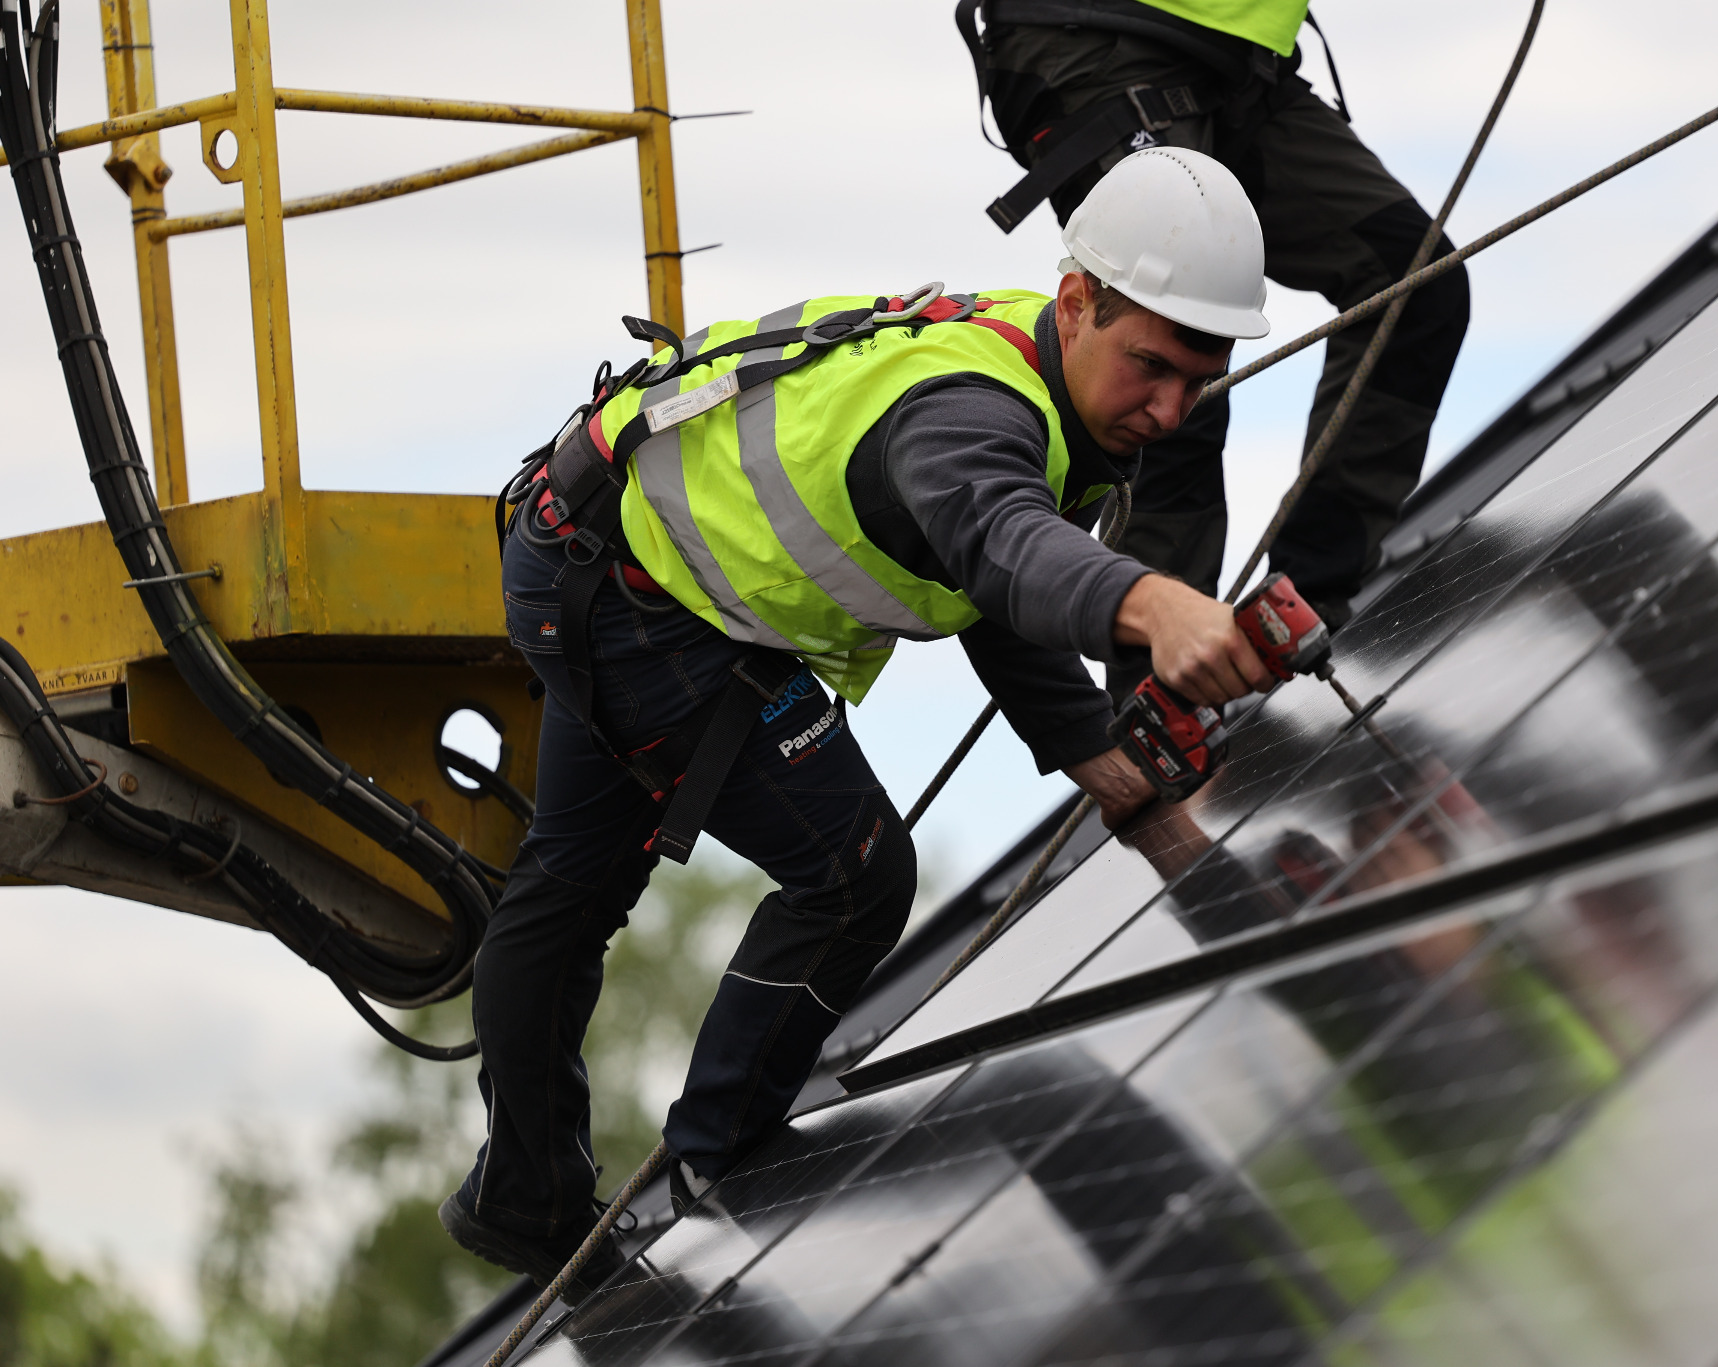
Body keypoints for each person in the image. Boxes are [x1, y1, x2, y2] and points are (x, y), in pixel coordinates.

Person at [438, 146, 1280, 1299]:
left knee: (570, 884)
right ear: (1077, 301)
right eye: (1151, 366)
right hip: (633, 592)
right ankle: (711, 1180)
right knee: (853, 872)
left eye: (1199, 378)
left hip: (603, 539)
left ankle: (522, 1197)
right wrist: (1152, 602)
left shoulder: (1050, 383)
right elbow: (999, 542)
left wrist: (1133, 796)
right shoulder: (967, 414)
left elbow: (988, 592)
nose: (1171, 409)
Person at [960, 0, 1471, 643]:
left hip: (1236, 59)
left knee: (1419, 285)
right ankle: (1164, 676)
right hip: (1097, 37)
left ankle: (1297, 610)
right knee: (1165, 376)